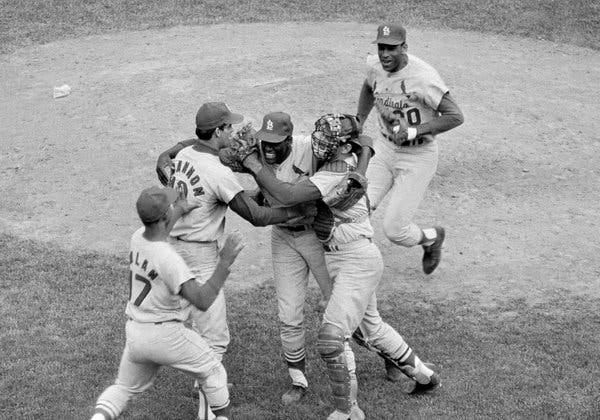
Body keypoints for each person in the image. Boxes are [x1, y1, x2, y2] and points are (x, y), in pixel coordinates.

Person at [240, 114, 440, 420]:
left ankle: (348, 410)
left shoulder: (336, 170)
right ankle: (426, 377)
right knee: (370, 327)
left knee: (333, 337)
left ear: (342, 145)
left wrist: (253, 167)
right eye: (317, 136)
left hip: (356, 259)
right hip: (337, 257)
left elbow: (290, 195)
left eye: (326, 141)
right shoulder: (342, 161)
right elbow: (367, 143)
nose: (318, 144)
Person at [153, 102, 313, 366]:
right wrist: (294, 214)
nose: (232, 133)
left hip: (172, 249)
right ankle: (209, 396)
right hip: (199, 257)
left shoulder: (182, 157)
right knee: (215, 338)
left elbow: (211, 195)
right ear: (218, 131)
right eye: (229, 127)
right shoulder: (218, 171)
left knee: (182, 321)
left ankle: (197, 376)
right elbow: (257, 217)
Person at [90, 185, 244, 420]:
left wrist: (180, 209)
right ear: (163, 217)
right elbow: (202, 301)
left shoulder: (137, 238)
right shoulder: (170, 259)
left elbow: (161, 229)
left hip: (135, 334)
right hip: (167, 336)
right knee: (214, 372)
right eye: (171, 206)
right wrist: (224, 263)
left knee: (122, 388)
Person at [355, 23, 464, 278]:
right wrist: (359, 119)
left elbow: (455, 116)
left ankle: (432, 238)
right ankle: (359, 265)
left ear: (404, 47)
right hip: (384, 149)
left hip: (418, 157)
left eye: (391, 48)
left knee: (395, 230)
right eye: (381, 48)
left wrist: (414, 131)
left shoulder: (424, 78)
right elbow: (369, 86)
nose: (385, 55)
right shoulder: (374, 66)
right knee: (358, 209)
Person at [253, 111, 333, 404]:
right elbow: (211, 139)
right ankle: (298, 381)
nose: (268, 148)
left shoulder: (311, 148)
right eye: (265, 141)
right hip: (283, 238)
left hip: (318, 237)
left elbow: (361, 141)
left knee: (343, 304)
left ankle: (387, 354)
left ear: (290, 138)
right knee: (289, 315)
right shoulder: (254, 150)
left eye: (276, 142)